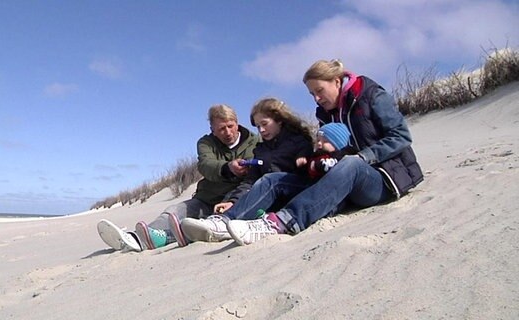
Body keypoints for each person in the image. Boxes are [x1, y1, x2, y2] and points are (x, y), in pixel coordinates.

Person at [183, 59, 424, 246]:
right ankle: (225, 224)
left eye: (319, 91)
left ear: (337, 81)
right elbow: (330, 154)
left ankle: (282, 222)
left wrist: (363, 157)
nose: (316, 99)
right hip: (341, 181)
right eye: (312, 95)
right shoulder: (326, 113)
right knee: (272, 180)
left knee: (351, 164)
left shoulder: (371, 95)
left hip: (382, 179)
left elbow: (401, 136)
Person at [97, 104, 260, 252]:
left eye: (230, 126)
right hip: (206, 198)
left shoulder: (255, 143)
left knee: (197, 227)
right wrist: (227, 167)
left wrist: (233, 198)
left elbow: (254, 179)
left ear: (237, 123)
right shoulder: (205, 143)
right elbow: (206, 165)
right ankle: (136, 239)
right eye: (221, 129)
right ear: (212, 129)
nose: (228, 132)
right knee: (173, 212)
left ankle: (164, 238)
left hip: (234, 200)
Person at [180, 97, 314, 243]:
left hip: (297, 192)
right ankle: (187, 234)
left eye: (264, 124)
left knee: (270, 180)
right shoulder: (261, 149)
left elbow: (312, 164)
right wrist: (232, 201)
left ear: (279, 120)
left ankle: (225, 222)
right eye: (257, 126)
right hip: (269, 197)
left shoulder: (299, 141)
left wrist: (304, 158)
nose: (261, 130)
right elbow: (249, 181)